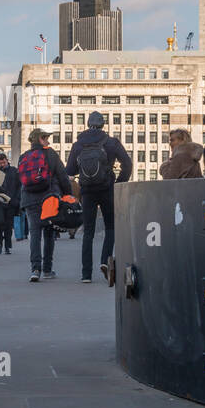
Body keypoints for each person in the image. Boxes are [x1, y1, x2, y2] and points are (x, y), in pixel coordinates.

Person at [65, 111, 132, 284]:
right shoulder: (111, 142)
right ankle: (105, 261)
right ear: (103, 125)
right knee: (111, 228)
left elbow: (70, 171)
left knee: (88, 232)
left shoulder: (78, 145)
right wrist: (119, 182)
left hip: (87, 191)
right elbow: (127, 163)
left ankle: (86, 274)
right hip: (107, 189)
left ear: (87, 124)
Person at [18, 127, 72, 282]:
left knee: (34, 233)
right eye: (46, 137)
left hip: (29, 198)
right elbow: (63, 176)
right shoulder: (50, 154)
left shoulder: (24, 156)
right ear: (40, 139)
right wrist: (68, 195)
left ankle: (35, 269)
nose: (48, 140)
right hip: (49, 198)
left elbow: (20, 179)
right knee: (49, 233)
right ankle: (47, 269)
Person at [0, 151, 20, 256]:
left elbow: (19, 186)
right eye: (0, 163)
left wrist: (17, 199)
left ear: (7, 161)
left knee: (8, 226)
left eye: (3, 162)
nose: (2, 165)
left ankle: (7, 246)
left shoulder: (14, 171)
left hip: (11, 202)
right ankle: (0, 242)